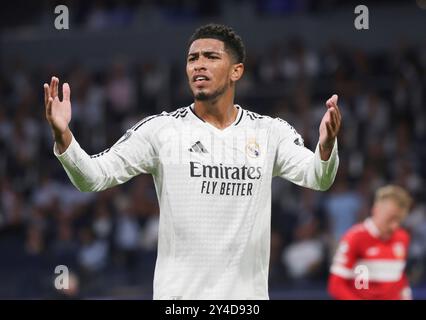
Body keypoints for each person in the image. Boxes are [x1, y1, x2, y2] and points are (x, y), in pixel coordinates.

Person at [44, 24, 341, 299]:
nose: (198, 64)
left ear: (236, 71)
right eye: (192, 58)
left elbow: (318, 177)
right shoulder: (160, 131)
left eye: (211, 57)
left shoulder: (269, 133)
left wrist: (326, 146)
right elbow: (93, 177)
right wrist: (64, 135)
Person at [328, 185, 413, 300]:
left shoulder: (402, 238)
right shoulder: (355, 237)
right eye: (390, 218)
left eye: (399, 220)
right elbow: (336, 285)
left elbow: (398, 274)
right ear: (376, 209)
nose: (395, 225)